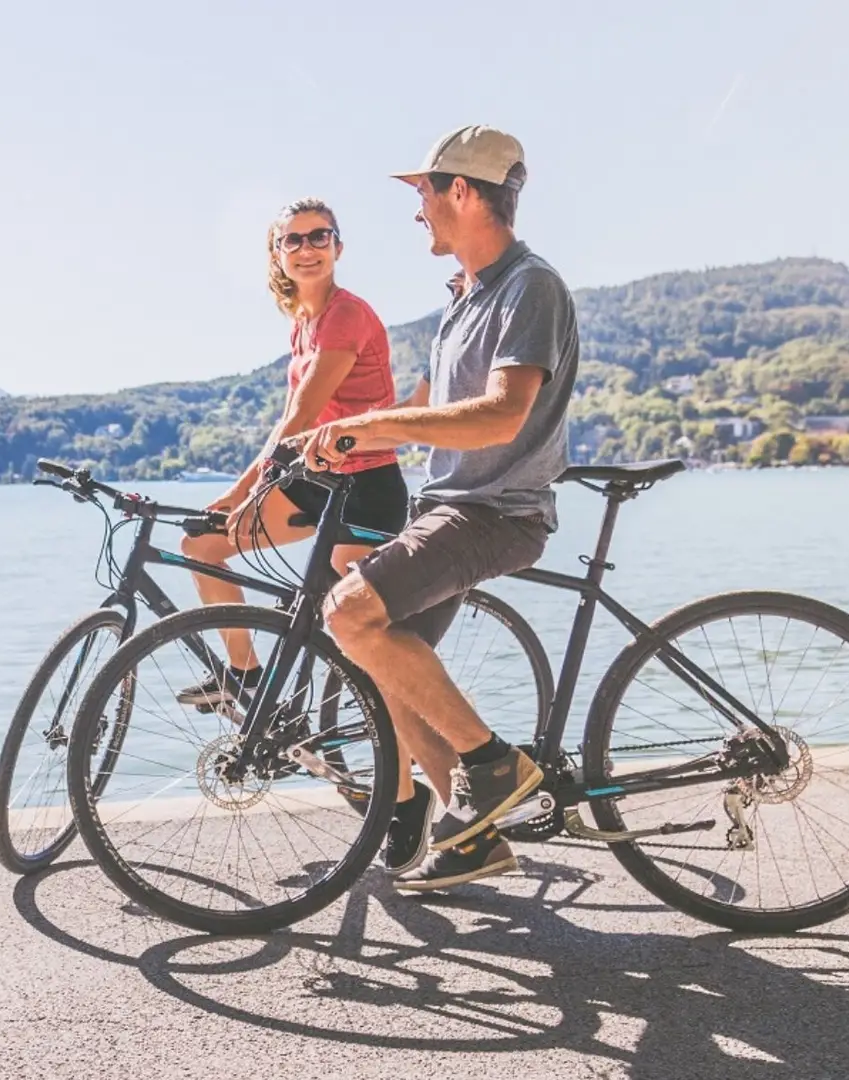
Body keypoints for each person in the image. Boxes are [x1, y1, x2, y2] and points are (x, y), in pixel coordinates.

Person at [289, 125, 581, 892]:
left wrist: (370, 424)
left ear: (462, 191)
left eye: (424, 189)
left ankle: (491, 765)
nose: (416, 207)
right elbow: (435, 406)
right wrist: (348, 436)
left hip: (496, 512)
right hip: (448, 506)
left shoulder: (530, 287)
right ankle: (474, 830)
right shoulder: (465, 299)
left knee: (349, 613)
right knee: (381, 659)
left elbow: (499, 417)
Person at [174, 198, 409, 711]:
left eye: (319, 237)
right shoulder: (305, 321)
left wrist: (244, 492)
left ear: (338, 247)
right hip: (316, 480)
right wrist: (239, 497)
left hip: (366, 488)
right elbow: (291, 420)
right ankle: (246, 675)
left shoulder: (347, 315)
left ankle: (397, 745)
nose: (307, 249)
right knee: (203, 546)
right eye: (293, 240)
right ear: (277, 254)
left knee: (356, 638)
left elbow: (300, 419)